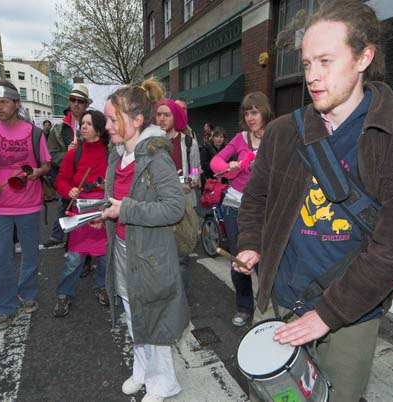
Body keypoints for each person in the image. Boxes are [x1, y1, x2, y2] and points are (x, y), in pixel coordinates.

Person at [234, 1, 393, 401]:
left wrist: (327, 314)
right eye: (307, 64)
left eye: (325, 61)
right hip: (277, 299)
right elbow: (255, 197)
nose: (313, 76)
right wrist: (250, 242)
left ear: (364, 57)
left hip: (350, 313)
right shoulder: (282, 132)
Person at [101, 79, 188, 402]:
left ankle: (164, 384)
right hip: (124, 250)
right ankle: (142, 372)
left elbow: (174, 208)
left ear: (137, 120)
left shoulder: (155, 157)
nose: (107, 125)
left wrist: (127, 209)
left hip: (150, 256)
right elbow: (120, 202)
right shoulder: (117, 156)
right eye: (107, 119)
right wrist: (105, 211)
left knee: (154, 320)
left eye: (113, 119)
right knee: (134, 313)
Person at [0, 80, 51, 330]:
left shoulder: (34, 133)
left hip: (28, 204)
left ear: (16, 103)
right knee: (0, 258)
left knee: (30, 254)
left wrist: (37, 172)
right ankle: (5, 306)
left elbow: (46, 165)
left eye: (3, 102)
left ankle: (27, 294)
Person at [210, 92, 273, 327]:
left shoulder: (276, 136)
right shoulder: (240, 138)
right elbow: (216, 163)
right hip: (236, 204)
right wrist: (230, 166)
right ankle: (244, 307)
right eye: (246, 113)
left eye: (254, 112)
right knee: (240, 260)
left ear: (264, 111)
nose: (250, 117)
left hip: (267, 207)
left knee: (269, 260)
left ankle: (268, 305)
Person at [53, 110, 109, 316]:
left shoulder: (111, 154)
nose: (83, 126)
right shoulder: (74, 153)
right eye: (82, 123)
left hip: (104, 212)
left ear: (100, 129)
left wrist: (108, 186)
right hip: (80, 213)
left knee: (104, 257)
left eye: (88, 123)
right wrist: (69, 190)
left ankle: (102, 287)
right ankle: (64, 294)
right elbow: (60, 180)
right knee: (74, 258)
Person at [156, 98, 200, 294]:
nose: (162, 119)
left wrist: (191, 180)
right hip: (157, 206)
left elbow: (195, 169)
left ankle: (180, 303)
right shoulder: (152, 143)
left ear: (175, 117)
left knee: (181, 258)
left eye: (167, 115)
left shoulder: (188, 141)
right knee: (160, 257)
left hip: (182, 205)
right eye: (159, 114)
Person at [43, 84, 93, 248]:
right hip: (66, 179)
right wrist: (69, 155)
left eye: (80, 101)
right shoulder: (58, 129)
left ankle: (77, 247)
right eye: (73, 100)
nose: (76, 104)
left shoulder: (95, 126)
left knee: (84, 214)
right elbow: (52, 156)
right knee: (62, 207)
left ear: (86, 104)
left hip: (87, 179)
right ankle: (58, 237)